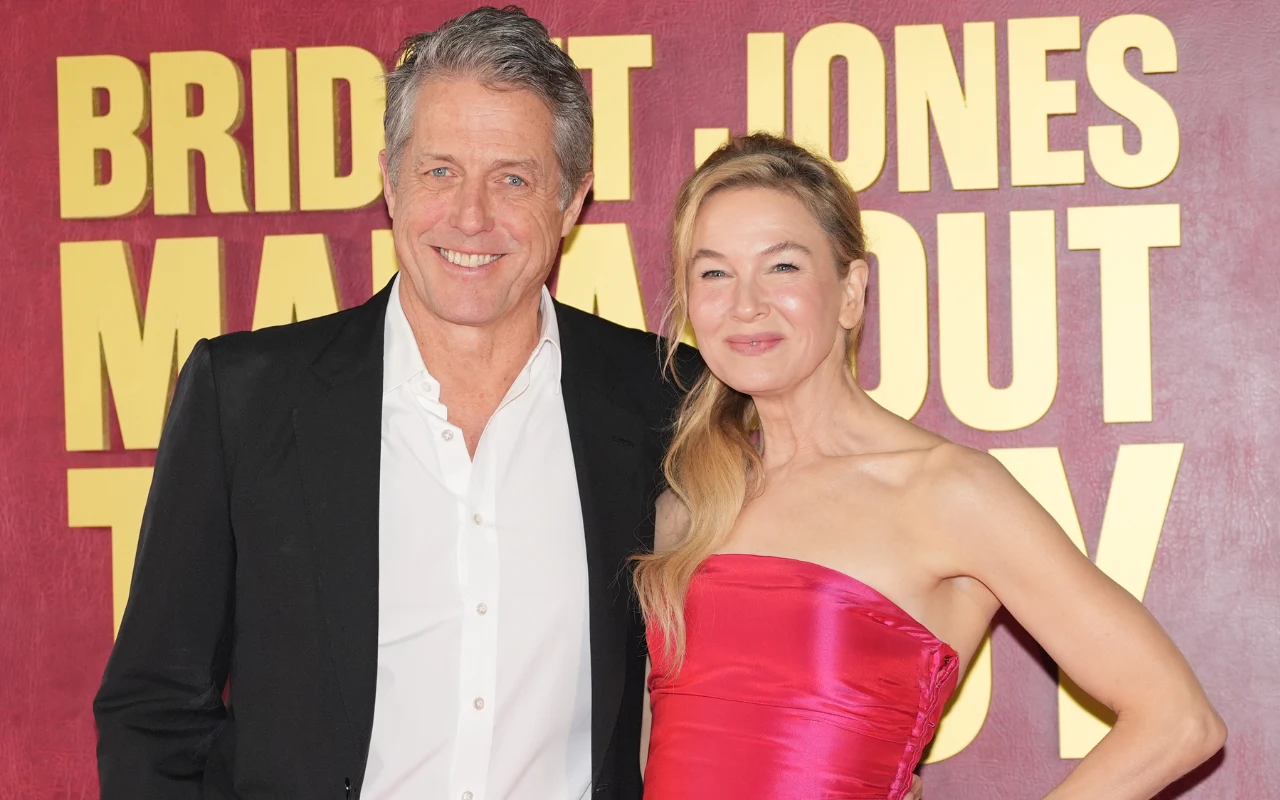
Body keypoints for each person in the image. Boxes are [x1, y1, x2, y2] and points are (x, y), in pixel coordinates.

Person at [93, 7, 699, 799]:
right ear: (389, 180)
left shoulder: (669, 400)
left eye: (513, 179)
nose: (471, 216)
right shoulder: (243, 398)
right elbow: (155, 711)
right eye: (439, 171)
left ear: (571, 200)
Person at [635, 133, 1227, 799]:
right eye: (714, 273)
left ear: (851, 291)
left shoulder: (946, 491)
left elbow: (1178, 720)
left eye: (782, 267)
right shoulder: (685, 505)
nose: (746, 304)